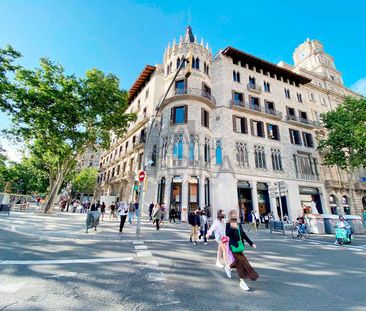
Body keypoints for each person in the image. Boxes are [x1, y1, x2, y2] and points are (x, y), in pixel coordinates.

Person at [226, 210, 259, 291]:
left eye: (235, 215)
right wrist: (232, 228)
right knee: (242, 262)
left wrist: (251, 243)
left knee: (238, 261)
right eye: (233, 215)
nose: (234, 216)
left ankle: (228, 267)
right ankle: (242, 281)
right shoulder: (228, 224)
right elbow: (227, 234)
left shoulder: (239, 224)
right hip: (233, 246)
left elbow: (244, 235)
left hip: (239, 246)